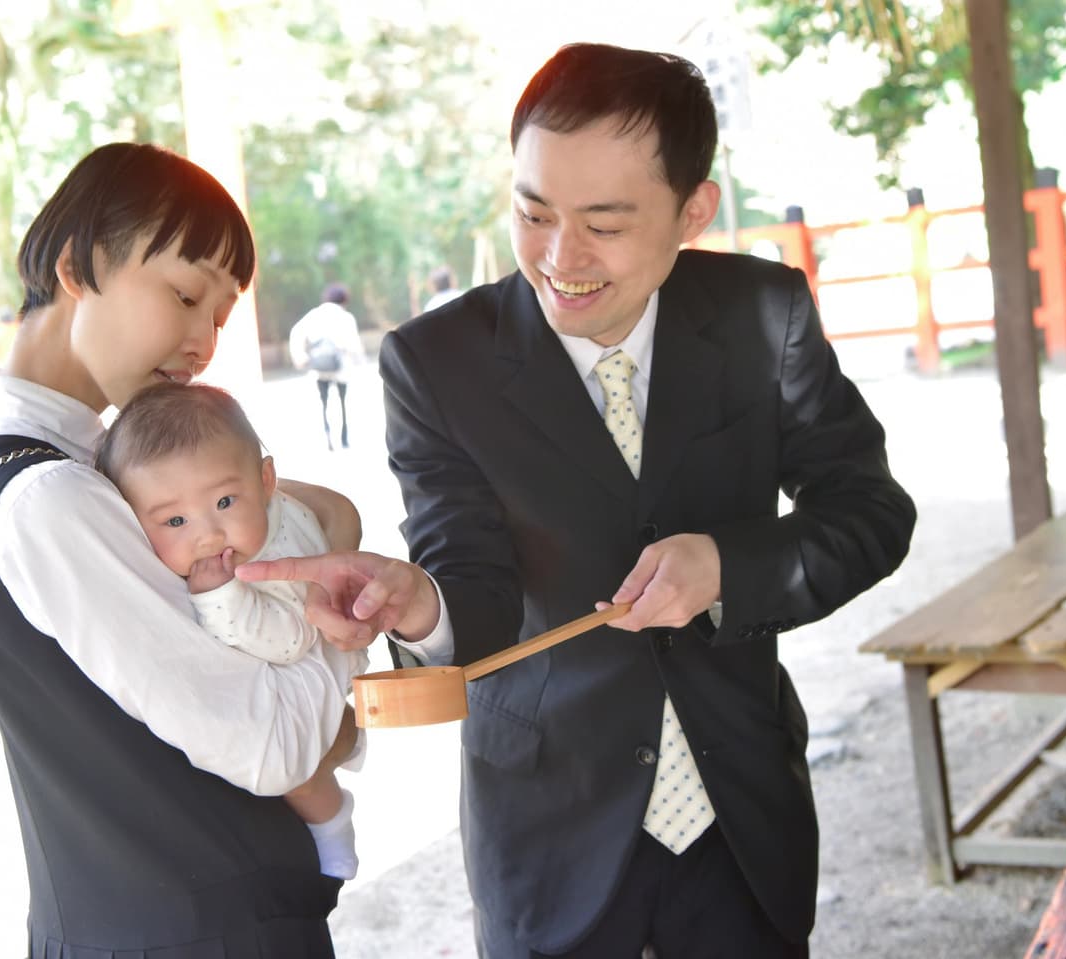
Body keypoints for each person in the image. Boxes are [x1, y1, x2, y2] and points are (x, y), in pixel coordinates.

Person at [238, 42, 916, 958]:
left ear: (694, 210)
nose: (562, 256)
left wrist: (726, 566)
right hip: (550, 834)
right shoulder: (436, 363)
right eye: (533, 211)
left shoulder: (767, 311)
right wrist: (420, 602)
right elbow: (470, 575)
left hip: (741, 822)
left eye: (605, 221)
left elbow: (870, 513)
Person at [0, 142, 362, 959]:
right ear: (76, 267)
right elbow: (275, 743)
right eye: (184, 295)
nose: (203, 339)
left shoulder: (35, 468)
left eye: (221, 313)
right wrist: (336, 615)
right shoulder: (52, 498)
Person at [93, 380, 366, 880]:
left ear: (266, 481)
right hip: (309, 664)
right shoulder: (256, 523)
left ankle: (333, 820)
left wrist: (220, 599)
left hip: (307, 651)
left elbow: (290, 641)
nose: (207, 534)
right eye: (175, 520)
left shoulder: (275, 554)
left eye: (224, 503)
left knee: (298, 775)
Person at [288, 282, 364, 450]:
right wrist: (359, 360)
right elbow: (354, 344)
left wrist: (301, 358)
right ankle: (344, 438)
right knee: (343, 403)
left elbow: (296, 333)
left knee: (324, 403)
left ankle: (328, 436)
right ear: (344, 299)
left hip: (318, 367)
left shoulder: (313, 315)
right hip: (341, 367)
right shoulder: (346, 317)